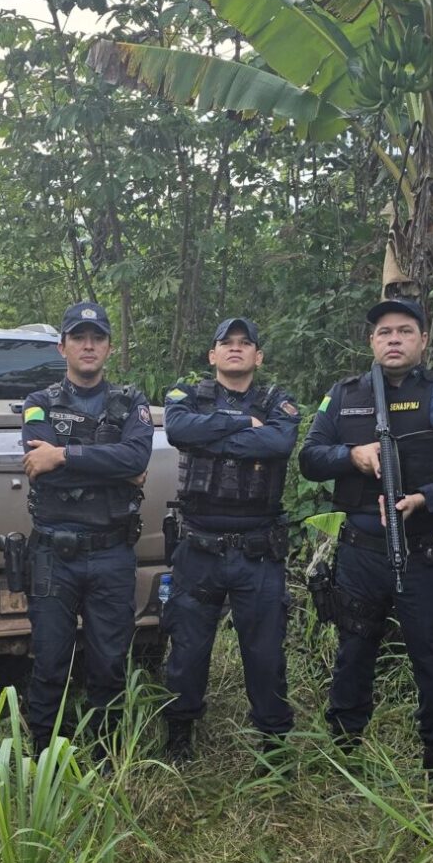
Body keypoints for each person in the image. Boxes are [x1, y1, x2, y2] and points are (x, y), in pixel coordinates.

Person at [298, 298, 433, 784]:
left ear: (423, 339)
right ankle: (344, 758)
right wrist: (351, 456)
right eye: (384, 332)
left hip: (426, 552)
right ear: (371, 342)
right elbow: (310, 458)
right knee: (353, 652)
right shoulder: (343, 395)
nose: (394, 339)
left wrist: (425, 498)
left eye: (405, 331)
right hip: (361, 551)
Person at [162, 317, 299, 760]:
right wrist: (245, 424)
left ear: (258, 356)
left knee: (265, 656)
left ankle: (273, 748)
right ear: (213, 355)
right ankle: (180, 739)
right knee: (187, 651)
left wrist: (216, 436)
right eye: (227, 343)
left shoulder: (279, 400)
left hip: (258, 550)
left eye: (246, 344)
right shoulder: (186, 396)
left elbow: (278, 444)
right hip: (198, 547)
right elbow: (180, 432)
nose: (236, 349)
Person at [21, 301, 153, 752]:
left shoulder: (131, 402)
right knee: (50, 660)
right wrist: (111, 464)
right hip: (53, 555)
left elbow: (137, 458)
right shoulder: (39, 403)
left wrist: (63, 454)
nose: (88, 345)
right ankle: (43, 756)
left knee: (110, 661)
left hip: (113, 552)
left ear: (110, 348)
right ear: (63, 347)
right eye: (79, 337)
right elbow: (38, 460)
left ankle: (106, 754)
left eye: (97, 337)